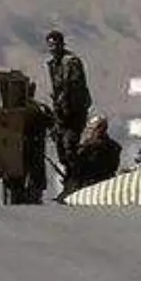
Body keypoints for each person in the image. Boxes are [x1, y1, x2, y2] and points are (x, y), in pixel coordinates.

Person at [43, 29, 92, 174]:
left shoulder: (71, 62)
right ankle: (71, 175)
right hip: (61, 113)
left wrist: (67, 108)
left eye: (55, 45)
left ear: (62, 44)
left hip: (74, 112)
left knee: (69, 145)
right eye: (50, 45)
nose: (53, 49)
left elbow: (75, 88)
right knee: (61, 148)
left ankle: (77, 176)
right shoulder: (53, 64)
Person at [13, 80, 55, 203]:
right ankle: (32, 199)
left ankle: (21, 199)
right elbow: (52, 124)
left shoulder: (16, 108)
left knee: (19, 180)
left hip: (21, 149)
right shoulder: (40, 108)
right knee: (34, 178)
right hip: (34, 148)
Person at [68, 115, 122, 191]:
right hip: (89, 184)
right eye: (90, 129)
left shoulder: (112, 147)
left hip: (96, 184)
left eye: (92, 129)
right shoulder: (84, 147)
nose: (90, 131)